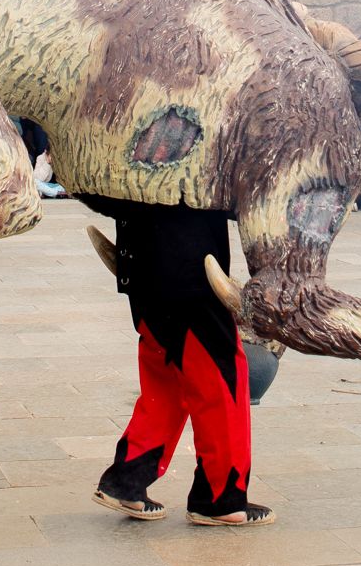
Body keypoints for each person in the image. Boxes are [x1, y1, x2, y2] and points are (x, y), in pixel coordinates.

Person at [85, 198, 270, 527]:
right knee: (221, 374)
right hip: (189, 267)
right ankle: (220, 498)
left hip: (140, 257)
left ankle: (127, 478)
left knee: (167, 377)